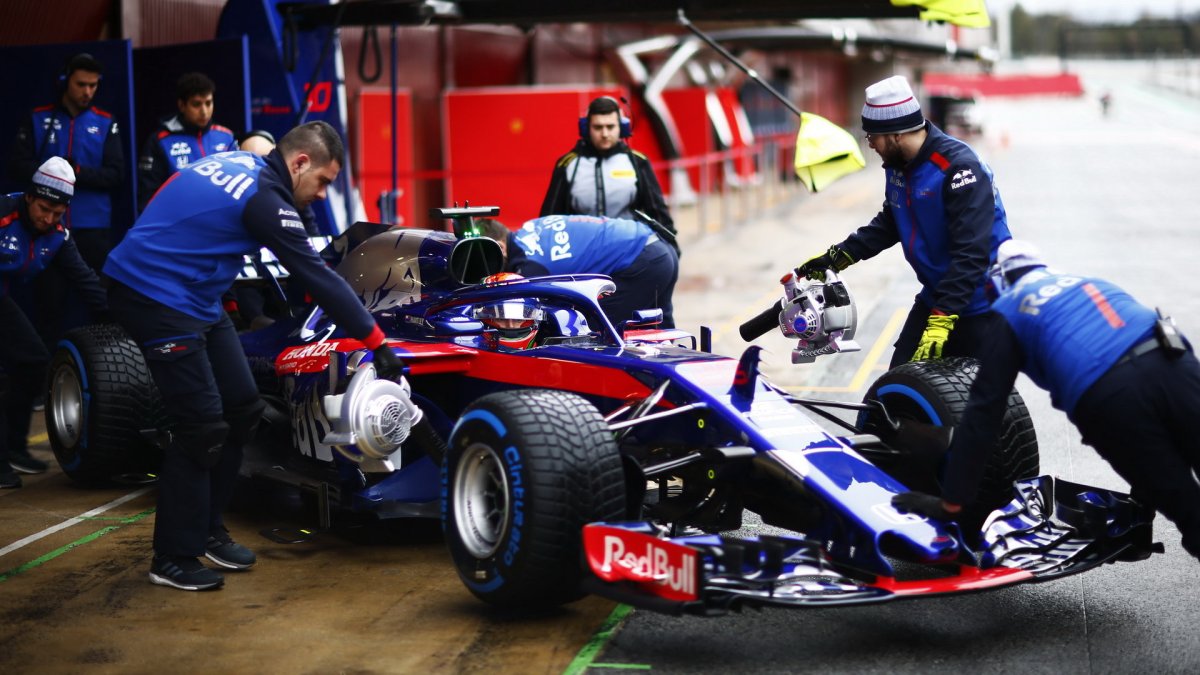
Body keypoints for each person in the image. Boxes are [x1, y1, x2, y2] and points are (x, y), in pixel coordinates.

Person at [103, 121, 403, 591]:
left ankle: (206, 529)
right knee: (200, 425)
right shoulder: (265, 199)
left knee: (243, 409)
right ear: (299, 163)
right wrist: (377, 342)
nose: (324, 194)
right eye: (323, 180)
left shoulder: (240, 162)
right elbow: (318, 278)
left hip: (196, 296)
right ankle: (173, 556)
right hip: (151, 294)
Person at [891, 240, 1200, 562]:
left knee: (1189, 510)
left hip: (1109, 395)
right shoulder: (1092, 283)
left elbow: (984, 412)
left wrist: (951, 501)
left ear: (997, 283)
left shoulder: (1009, 307)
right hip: (1175, 364)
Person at [795, 75, 1011, 369]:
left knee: (977, 406)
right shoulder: (898, 166)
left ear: (896, 134)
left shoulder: (959, 168)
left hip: (982, 304)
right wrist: (839, 256)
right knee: (893, 395)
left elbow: (973, 253)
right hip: (937, 296)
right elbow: (892, 221)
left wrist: (943, 317)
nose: (870, 143)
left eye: (873, 136)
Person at [0, 158, 108, 486]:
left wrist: (121, 316)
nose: (48, 219)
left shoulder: (58, 236)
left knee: (33, 363)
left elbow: (86, 281)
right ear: (30, 197)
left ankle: (15, 449)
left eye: (58, 213)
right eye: (44, 208)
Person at [10, 52, 124, 273]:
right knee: (50, 303)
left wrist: (76, 172)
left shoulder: (106, 122)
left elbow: (117, 174)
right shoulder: (38, 118)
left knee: (98, 294)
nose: (87, 92)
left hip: (93, 226)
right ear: (65, 81)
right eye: (81, 84)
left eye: (93, 85)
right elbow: (17, 167)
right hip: (46, 226)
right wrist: (53, 176)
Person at [479, 214, 678, 329]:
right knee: (663, 329)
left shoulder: (529, 266)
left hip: (643, 260)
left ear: (500, 247)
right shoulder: (531, 227)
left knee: (596, 331)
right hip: (658, 245)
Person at [539, 96, 677, 251]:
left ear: (622, 128)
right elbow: (549, 217)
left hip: (627, 250)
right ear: (586, 128)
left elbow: (658, 212)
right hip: (580, 252)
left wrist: (671, 247)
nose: (604, 133)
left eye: (610, 127)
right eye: (598, 127)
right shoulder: (567, 164)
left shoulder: (638, 162)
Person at [137, 72, 238, 213]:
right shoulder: (160, 141)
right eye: (196, 104)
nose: (204, 111)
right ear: (182, 105)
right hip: (181, 223)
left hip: (221, 223)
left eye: (208, 103)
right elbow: (149, 198)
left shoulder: (226, 136)